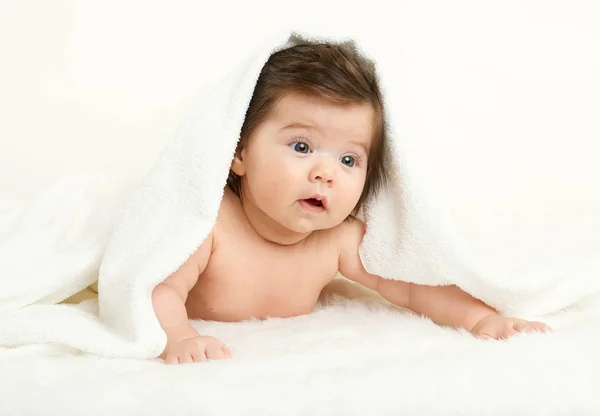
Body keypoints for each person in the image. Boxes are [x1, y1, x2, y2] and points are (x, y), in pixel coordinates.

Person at [151, 43, 550, 364]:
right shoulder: (212, 222)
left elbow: (412, 289)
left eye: (349, 160)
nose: (326, 173)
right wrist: (179, 336)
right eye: (302, 146)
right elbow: (160, 288)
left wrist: (481, 319)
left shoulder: (337, 239)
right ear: (238, 155)